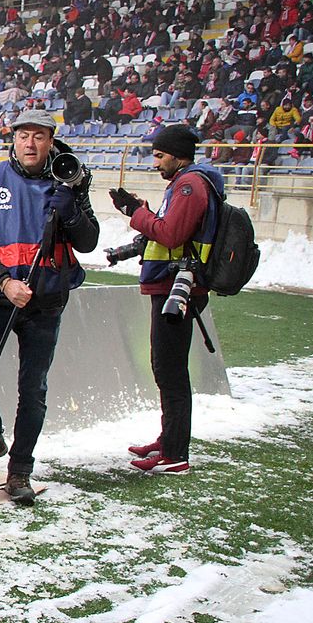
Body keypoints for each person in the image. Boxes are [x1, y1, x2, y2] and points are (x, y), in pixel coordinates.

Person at [0, 109, 100, 504]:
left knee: (32, 388)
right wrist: (4, 281)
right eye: (23, 136)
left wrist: (70, 206)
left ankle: (20, 470)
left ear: (51, 140)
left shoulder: (70, 178)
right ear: (13, 140)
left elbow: (88, 242)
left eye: (39, 136)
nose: (30, 143)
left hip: (47, 300)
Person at [109, 125, 222, 475]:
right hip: (173, 286)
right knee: (166, 369)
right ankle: (169, 440)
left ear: (177, 155)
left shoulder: (189, 185)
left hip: (178, 289)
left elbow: (171, 233)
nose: (156, 162)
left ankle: (175, 453)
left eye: (160, 155)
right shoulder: (186, 184)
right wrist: (141, 211)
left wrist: (135, 214)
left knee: (170, 371)